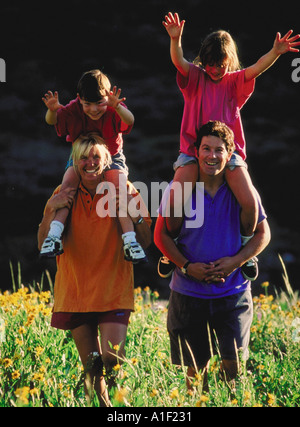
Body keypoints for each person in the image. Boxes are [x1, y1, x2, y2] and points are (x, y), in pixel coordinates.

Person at [160, 12, 299, 279]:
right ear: (203, 61)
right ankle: (173, 248)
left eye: (220, 65)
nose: (215, 70)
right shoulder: (195, 78)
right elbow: (178, 61)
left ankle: (246, 247)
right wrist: (175, 40)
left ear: (229, 62)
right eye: (210, 64)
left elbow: (257, 66)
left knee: (249, 200)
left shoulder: (234, 82)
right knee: (176, 199)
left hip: (230, 154)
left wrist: (276, 52)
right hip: (192, 151)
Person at [154, 121, 271, 391]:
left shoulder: (242, 192)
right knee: (196, 370)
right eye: (206, 148)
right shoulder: (180, 189)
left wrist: (235, 261)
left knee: (233, 366)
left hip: (233, 293)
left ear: (230, 156)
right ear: (196, 152)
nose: (212, 155)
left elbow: (263, 234)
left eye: (219, 150)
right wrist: (185, 266)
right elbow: (160, 236)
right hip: (188, 292)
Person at [38, 133, 152, 406]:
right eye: (83, 158)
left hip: (113, 289)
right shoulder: (62, 193)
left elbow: (146, 241)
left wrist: (133, 212)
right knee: (91, 367)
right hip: (75, 290)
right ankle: (106, 406)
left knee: (112, 359)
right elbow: (42, 243)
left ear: (107, 160)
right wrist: (48, 211)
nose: (90, 163)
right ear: (74, 162)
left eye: (96, 157)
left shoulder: (124, 189)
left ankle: (118, 397)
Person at [40, 69, 147, 263]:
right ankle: (54, 235)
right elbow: (52, 121)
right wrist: (52, 110)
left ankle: (130, 242)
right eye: (87, 104)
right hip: (80, 157)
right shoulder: (73, 109)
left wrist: (118, 107)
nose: (94, 109)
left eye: (100, 103)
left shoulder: (114, 108)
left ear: (107, 98)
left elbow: (130, 120)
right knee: (67, 188)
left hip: (112, 157)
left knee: (119, 190)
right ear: (79, 99)